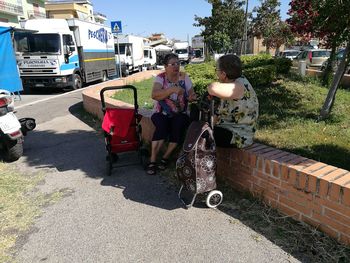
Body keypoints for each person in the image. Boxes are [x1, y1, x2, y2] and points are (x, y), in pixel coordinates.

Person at [147, 53, 196, 175]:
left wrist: (191, 97)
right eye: (173, 64)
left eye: (178, 63)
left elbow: (191, 94)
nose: (176, 66)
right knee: (162, 125)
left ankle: (165, 157)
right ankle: (152, 160)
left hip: (180, 112)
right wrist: (172, 89)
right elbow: (154, 95)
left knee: (178, 125)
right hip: (161, 111)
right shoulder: (160, 78)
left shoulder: (184, 77)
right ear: (165, 66)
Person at [207, 54, 259, 148]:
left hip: (239, 136)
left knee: (203, 134)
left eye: (217, 70)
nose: (216, 74)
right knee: (198, 128)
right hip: (229, 129)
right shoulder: (235, 82)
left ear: (223, 74)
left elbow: (212, 88)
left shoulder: (238, 86)